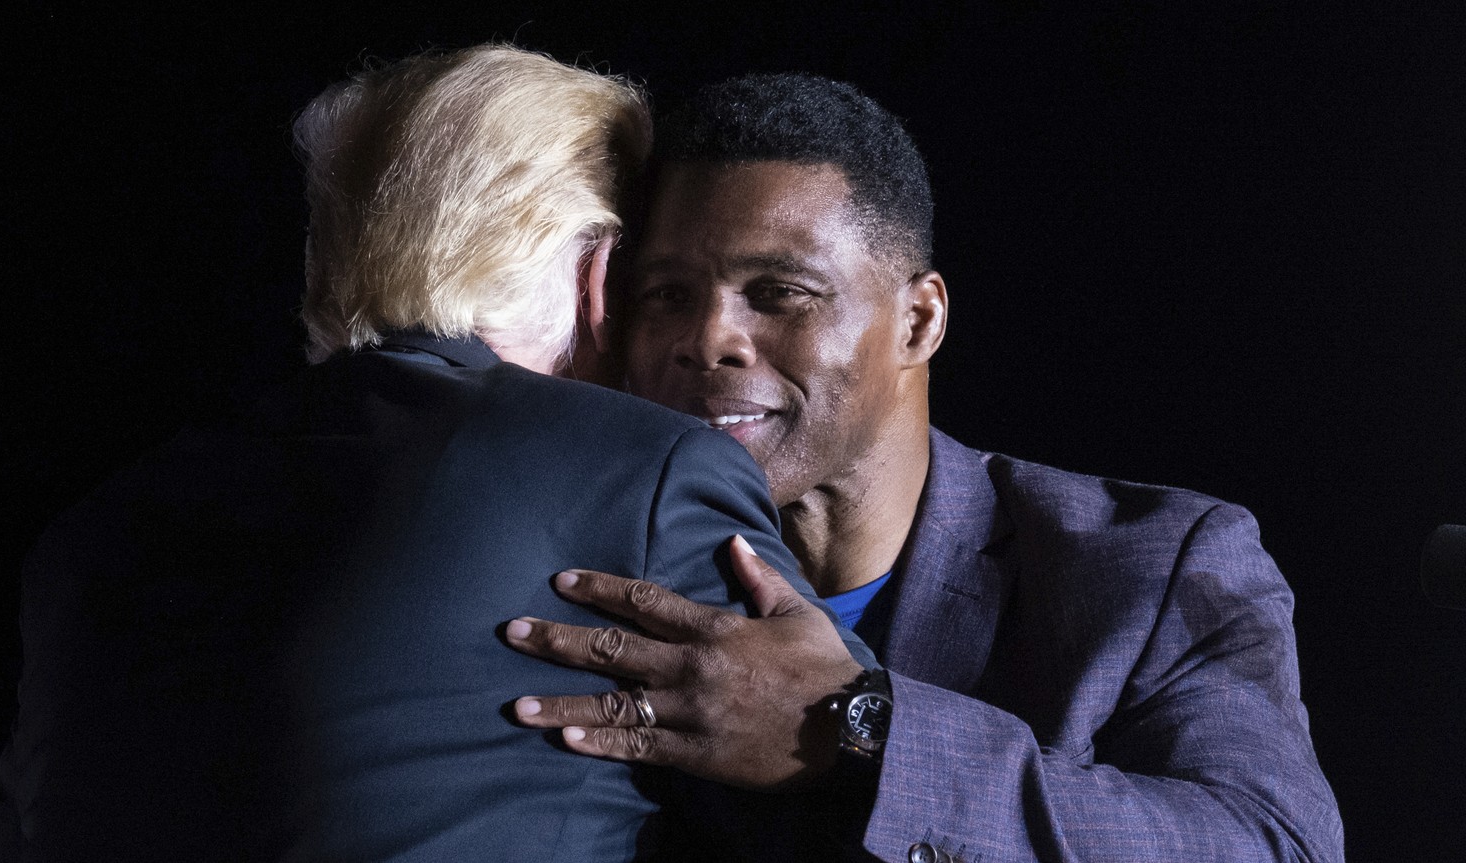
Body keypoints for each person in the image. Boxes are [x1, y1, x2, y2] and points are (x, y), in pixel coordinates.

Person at [0, 50, 872, 862]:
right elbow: (847, 810)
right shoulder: (647, 471)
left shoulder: (99, 524)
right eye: (658, 288)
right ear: (601, 278)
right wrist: (861, 725)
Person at [506, 74, 1345, 862]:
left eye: (778, 291)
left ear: (917, 321)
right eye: (667, 294)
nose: (709, 338)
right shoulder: (576, 565)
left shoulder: (1153, 565)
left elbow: (1273, 843)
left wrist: (857, 731)